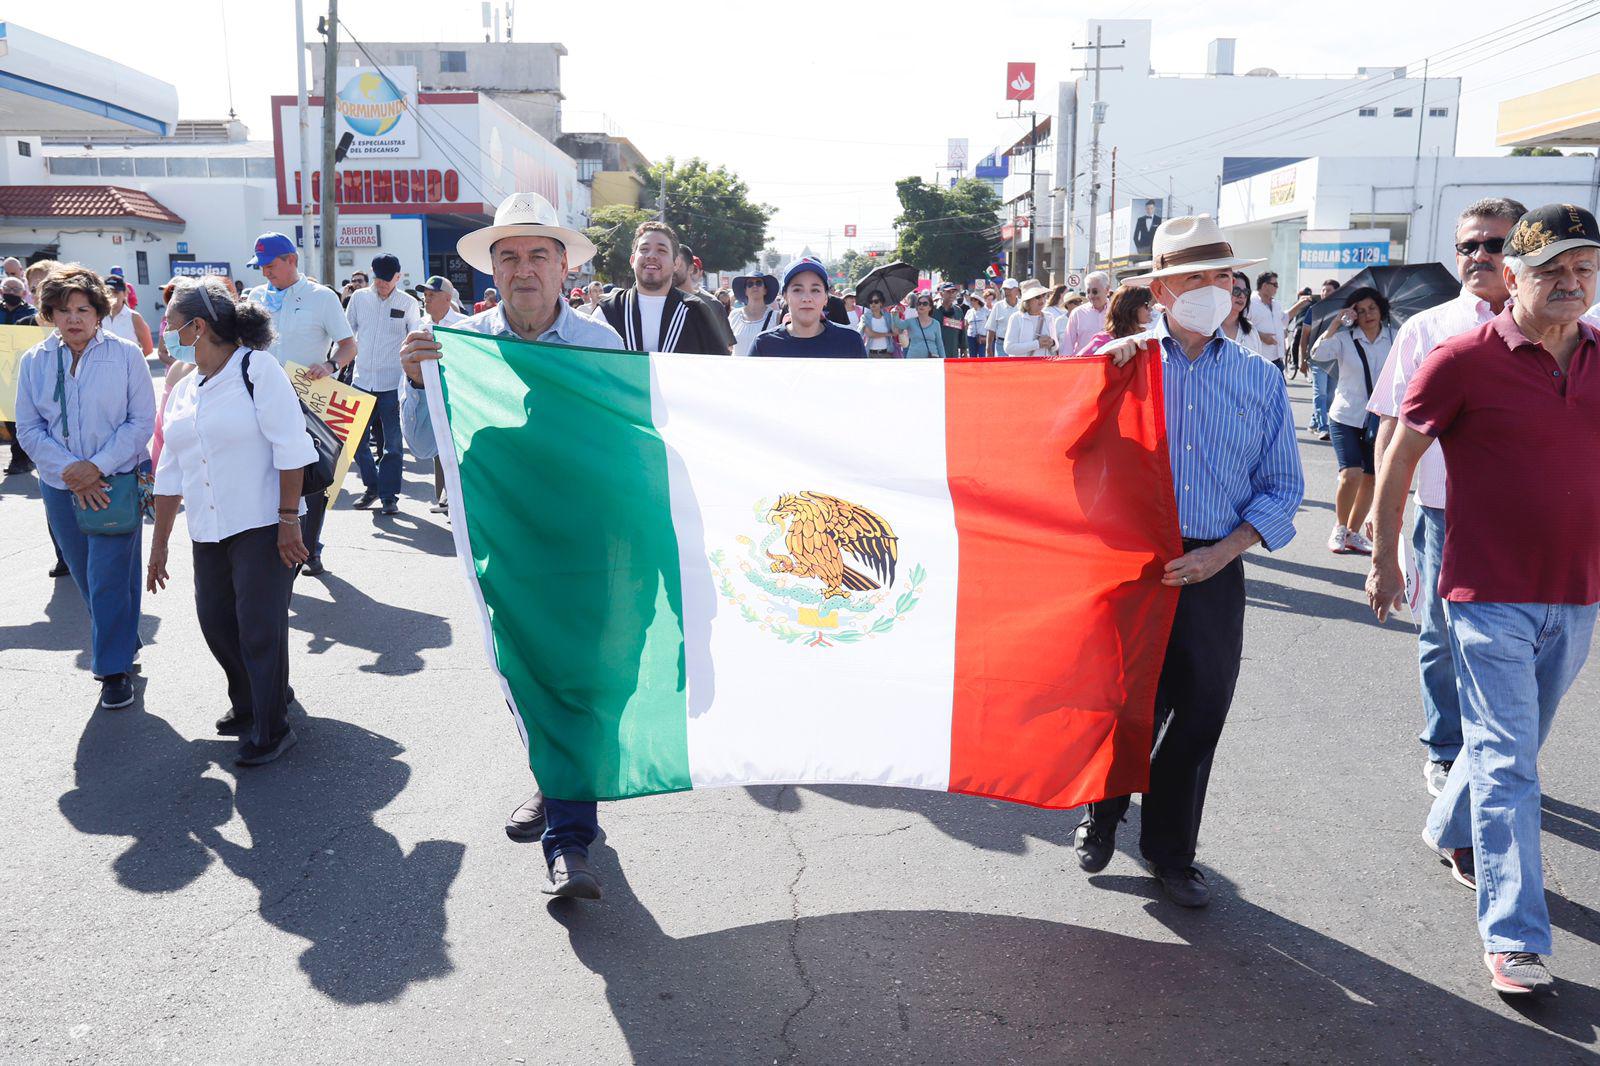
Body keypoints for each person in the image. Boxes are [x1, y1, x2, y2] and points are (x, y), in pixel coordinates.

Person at [1366, 203, 1600, 997]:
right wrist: (1386, 558)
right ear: (1513, 278)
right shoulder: (1461, 357)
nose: (1572, 284)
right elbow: (1398, 459)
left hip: (1576, 591)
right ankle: (1515, 937)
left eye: (1585, 270)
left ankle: (1445, 825)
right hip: (1485, 591)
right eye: (1553, 271)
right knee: (1508, 760)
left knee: (1516, 744)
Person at [400, 191, 624, 901]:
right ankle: (554, 781)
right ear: (491, 271)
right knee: (527, 679)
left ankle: (569, 839)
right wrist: (418, 380)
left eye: (538, 256)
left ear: (564, 269)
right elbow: (419, 446)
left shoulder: (601, 346)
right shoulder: (459, 345)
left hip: (587, 546)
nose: (523, 269)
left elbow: (628, 447)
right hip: (507, 551)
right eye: (508, 257)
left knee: (580, 682)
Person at [1073, 216, 1303, 908]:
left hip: (1213, 566)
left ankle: (1172, 852)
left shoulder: (1260, 381)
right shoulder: (1119, 364)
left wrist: (1223, 553)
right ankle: (1104, 812)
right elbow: (1067, 458)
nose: (1211, 290)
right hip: (1130, 564)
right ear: (1161, 290)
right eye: (1192, 279)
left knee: (1201, 710)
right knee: (1122, 699)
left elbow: (1284, 488)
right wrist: (1095, 390)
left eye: (1221, 278)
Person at [1364, 197, 1525, 799]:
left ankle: (1503, 746)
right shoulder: (1428, 329)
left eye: (1495, 244)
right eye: (1468, 246)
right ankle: (1447, 749)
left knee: (1524, 645)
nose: (1480, 256)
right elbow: (1388, 430)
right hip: (1442, 516)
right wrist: (1386, 529)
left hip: (1525, 520)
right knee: (1439, 637)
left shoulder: (1564, 332)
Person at [147, 277, 313, 766]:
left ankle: (272, 727)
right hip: (208, 529)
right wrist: (158, 546)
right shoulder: (182, 387)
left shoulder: (255, 369)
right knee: (216, 622)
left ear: (197, 327)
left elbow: (291, 446)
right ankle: (251, 701)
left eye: (171, 322)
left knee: (259, 628)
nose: (166, 330)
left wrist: (289, 520)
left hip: (262, 523)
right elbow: (169, 470)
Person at [14, 264, 156, 710]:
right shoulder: (35, 361)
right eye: (62, 310)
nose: (73, 318)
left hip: (114, 481)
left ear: (98, 312)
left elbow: (140, 422)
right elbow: (29, 427)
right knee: (86, 577)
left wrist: (95, 467)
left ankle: (112, 669)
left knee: (109, 575)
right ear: (49, 314)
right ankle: (122, 636)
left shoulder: (126, 354)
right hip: (60, 486)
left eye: (82, 309)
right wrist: (71, 472)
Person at [245, 231, 358, 576]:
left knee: (312, 477)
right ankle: (272, 540)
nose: (265, 272)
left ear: (292, 260)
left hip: (308, 401)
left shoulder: (321, 297)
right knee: (265, 471)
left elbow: (348, 345)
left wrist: (330, 365)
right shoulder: (254, 297)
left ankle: (311, 546)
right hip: (261, 399)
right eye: (260, 266)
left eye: (271, 265)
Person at [1311, 287, 1394, 555]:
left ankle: (1353, 534)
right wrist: (1335, 323)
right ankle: (1339, 527)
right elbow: (1318, 354)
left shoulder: (1395, 337)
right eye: (1360, 310)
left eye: (1372, 308)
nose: (1367, 314)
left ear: (1381, 308)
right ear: (1353, 315)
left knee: (1370, 477)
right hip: (1345, 415)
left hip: (1380, 416)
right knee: (1351, 474)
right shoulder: (1345, 339)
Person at [344, 254, 421, 515]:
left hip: (392, 383)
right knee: (354, 439)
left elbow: (414, 340)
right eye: (378, 279)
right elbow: (346, 334)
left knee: (392, 444)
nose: (382, 284)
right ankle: (372, 485)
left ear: (398, 277)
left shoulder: (408, 304)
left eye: (387, 280)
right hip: (362, 380)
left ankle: (389, 496)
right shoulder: (359, 298)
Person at [599, 224, 731, 355]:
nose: (651, 255)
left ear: (676, 263)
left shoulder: (696, 312)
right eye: (644, 249)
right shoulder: (608, 311)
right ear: (632, 260)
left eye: (661, 250)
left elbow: (718, 368)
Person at [749, 258, 868, 357]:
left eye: (815, 290)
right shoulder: (763, 345)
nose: (807, 298)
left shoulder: (850, 342)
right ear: (784, 296)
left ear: (826, 298)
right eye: (797, 290)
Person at [2, 277, 40, 476]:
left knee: (19, 417)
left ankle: (22, 458)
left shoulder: (30, 315)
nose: (11, 292)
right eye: (7, 288)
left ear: (23, 293)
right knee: (8, 417)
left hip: (19, 370)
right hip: (2, 370)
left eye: (15, 288)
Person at [673, 244, 737, 353]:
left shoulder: (712, 304)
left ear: (691, 269)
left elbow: (726, 348)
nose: (672, 269)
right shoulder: (659, 303)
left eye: (677, 264)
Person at [1300, 278, 1341, 437]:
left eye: (1328, 290)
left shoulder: (1341, 311)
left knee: (1330, 395)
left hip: (1335, 359)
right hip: (1316, 358)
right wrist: (1303, 359)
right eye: (1323, 290)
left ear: (1337, 292)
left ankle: (1314, 421)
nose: (1324, 293)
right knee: (1321, 393)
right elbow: (1305, 336)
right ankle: (1323, 427)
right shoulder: (1314, 310)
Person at [1075, 284, 1154, 356]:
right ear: (1131, 308)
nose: (1150, 308)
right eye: (1146, 305)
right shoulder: (1103, 341)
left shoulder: (1146, 336)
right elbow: (1078, 364)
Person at [728, 272, 781, 356]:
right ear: (745, 291)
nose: (754, 286)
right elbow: (728, 345)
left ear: (765, 290)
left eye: (759, 283)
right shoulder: (734, 315)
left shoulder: (776, 317)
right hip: (737, 367)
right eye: (750, 284)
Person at [100, 275, 154, 356]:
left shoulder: (134, 317)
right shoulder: (97, 316)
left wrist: (130, 363)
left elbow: (148, 349)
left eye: (116, 292)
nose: (112, 296)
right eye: (108, 292)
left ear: (125, 293)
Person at [1002, 280, 1057, 356]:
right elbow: (1009, 348)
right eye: (1037, 297)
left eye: (1043, 295)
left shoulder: (1049, 317)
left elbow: (1056, 346)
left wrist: (1052, 343)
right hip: (1023, 366)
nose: (1042, 300)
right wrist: (1037, 344)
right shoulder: (1016, 317)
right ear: (1028, 300)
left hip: (1044, 365)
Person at [1248, 271, 1288, 371]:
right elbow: (1240, 326)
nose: (1277, 287)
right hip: (1258, 361)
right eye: (1275, 284)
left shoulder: (1276, 304)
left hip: (1277, 359)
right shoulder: (1250, 303)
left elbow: (1283, 320)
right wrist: (1261, 336)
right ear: (1265, 285)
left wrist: (1300, 304)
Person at [1220, 272, 1262, 357]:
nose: (1242, 296)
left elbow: (1258, 365)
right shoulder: (1209, 328)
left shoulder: (1251, 330)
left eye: (1246, 292)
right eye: (1236, 291)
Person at [857, 292, 903, 357]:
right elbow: (870, 334)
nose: (873, 304)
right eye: (871, 301)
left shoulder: (888, 316)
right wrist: (888, 334)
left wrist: (895, 317)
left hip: (887, 354)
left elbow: (895, 332)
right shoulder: (865, 317)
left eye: (876, 301)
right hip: (871, 354)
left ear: (881, 303)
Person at [902, 291, 947, 358]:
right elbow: (897, 326)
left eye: (925, 303)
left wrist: (944, 360)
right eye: (919, 303)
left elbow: (939, 344)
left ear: (930, 307)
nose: (921, 305)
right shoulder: (910, 321)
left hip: (931, 360)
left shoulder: (936, 323)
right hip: (913, 359)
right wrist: (895, 314)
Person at [985, 278, 1022, 356]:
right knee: (1001, 367)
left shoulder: (1023, 306)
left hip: (1019, 344)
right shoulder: (998, 306)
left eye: (1009, 289)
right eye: (1005, 289)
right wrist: (988, 349)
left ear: (1017, 290)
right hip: (1001, 345)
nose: (1006, 292)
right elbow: (991, 329)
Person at [932, 282, 966, 356]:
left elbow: (962, 332)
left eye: (953, 292)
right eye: (948, 292)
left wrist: (964, 349)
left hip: (952, 351)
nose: (951, 294)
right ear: (941, 294)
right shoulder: (932, 310)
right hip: (935, 352)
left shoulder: (958, 310)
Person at [965, 291, 989, 357]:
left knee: (982, 355)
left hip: (982, 337)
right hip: (971, 337)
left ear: (977, 301)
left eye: (972, 300)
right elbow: (966, 324)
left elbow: (989, 324)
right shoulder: (969, 311)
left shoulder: (985, 311)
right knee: (972, 356)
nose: (971, 301)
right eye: (970, 300)